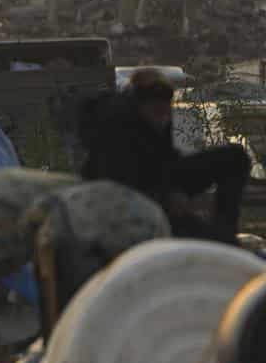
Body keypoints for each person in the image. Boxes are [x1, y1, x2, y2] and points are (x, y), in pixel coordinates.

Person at [81, 69, 250, 244]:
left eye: (164, 107)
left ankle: (224, 233)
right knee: (204, 236)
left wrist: (175, 190)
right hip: (130, 199)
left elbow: (165, 159)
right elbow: (120, 180)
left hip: (160, 183)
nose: (162, 114)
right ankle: (219, 239)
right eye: (155, 108)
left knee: (235, 158)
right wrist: (165, 194)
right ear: (138, 103)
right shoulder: (116, 130)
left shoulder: (157, 118)